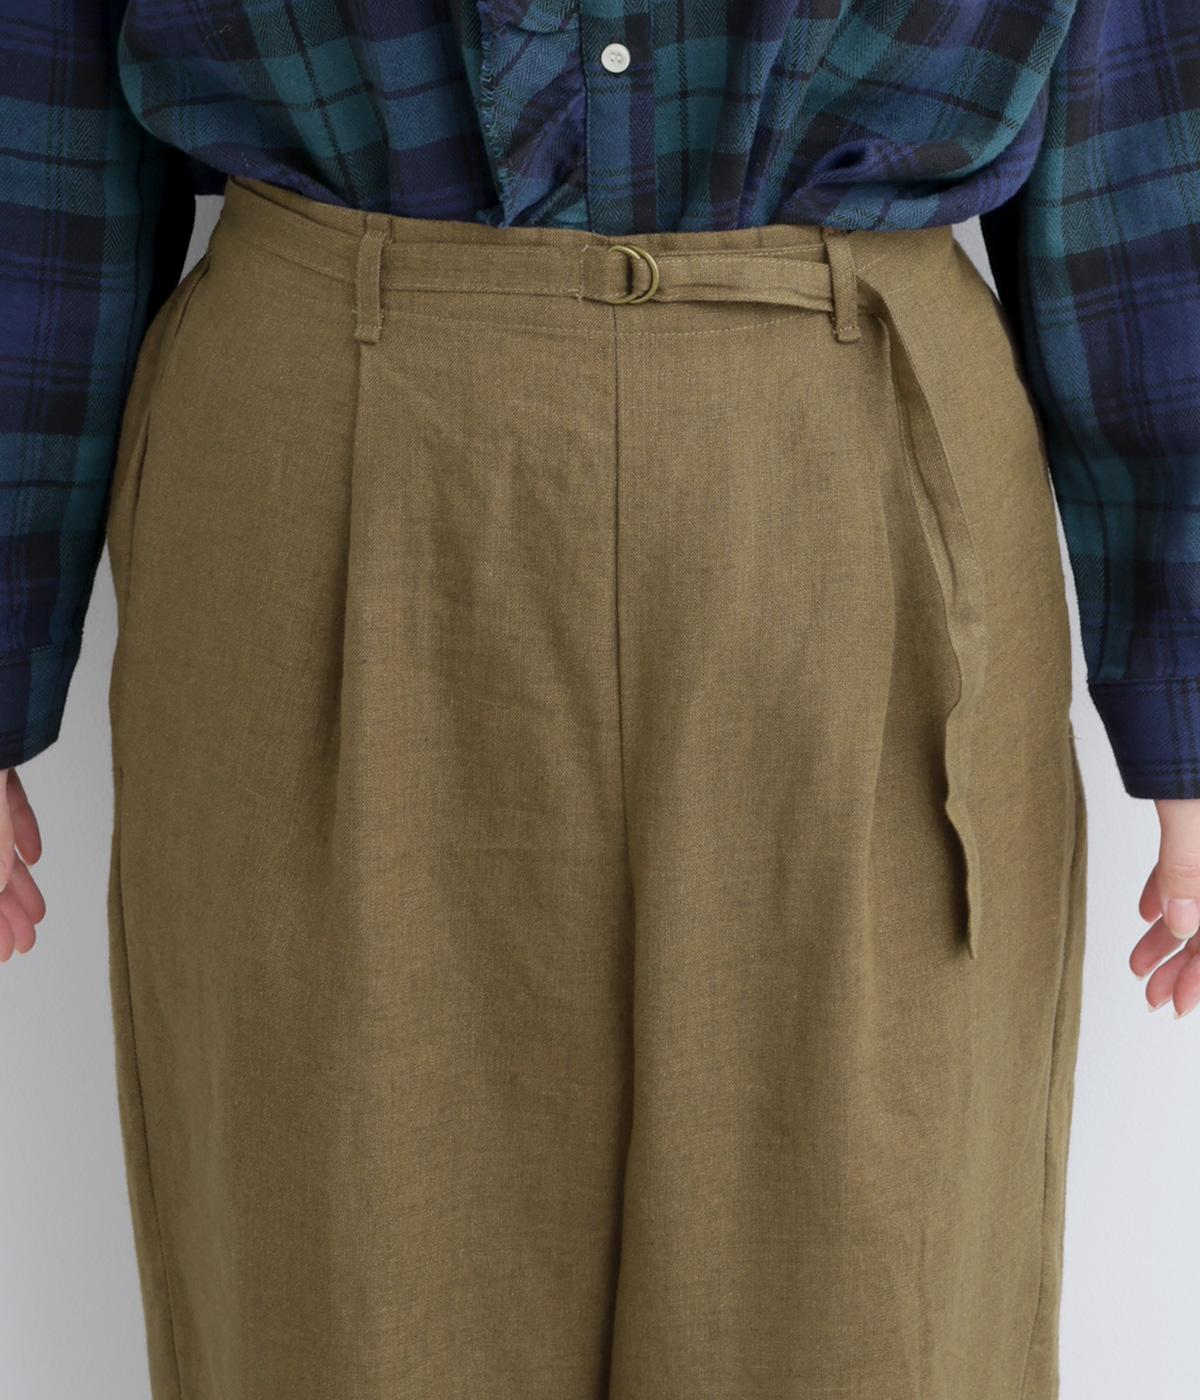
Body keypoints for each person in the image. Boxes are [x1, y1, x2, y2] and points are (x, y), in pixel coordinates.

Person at [0, 1, 1196, 1397]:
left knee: (870, 1301)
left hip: (857, 480)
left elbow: (1142, 144)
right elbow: (42, 126)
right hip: (326, 456)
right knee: (339, 1288)